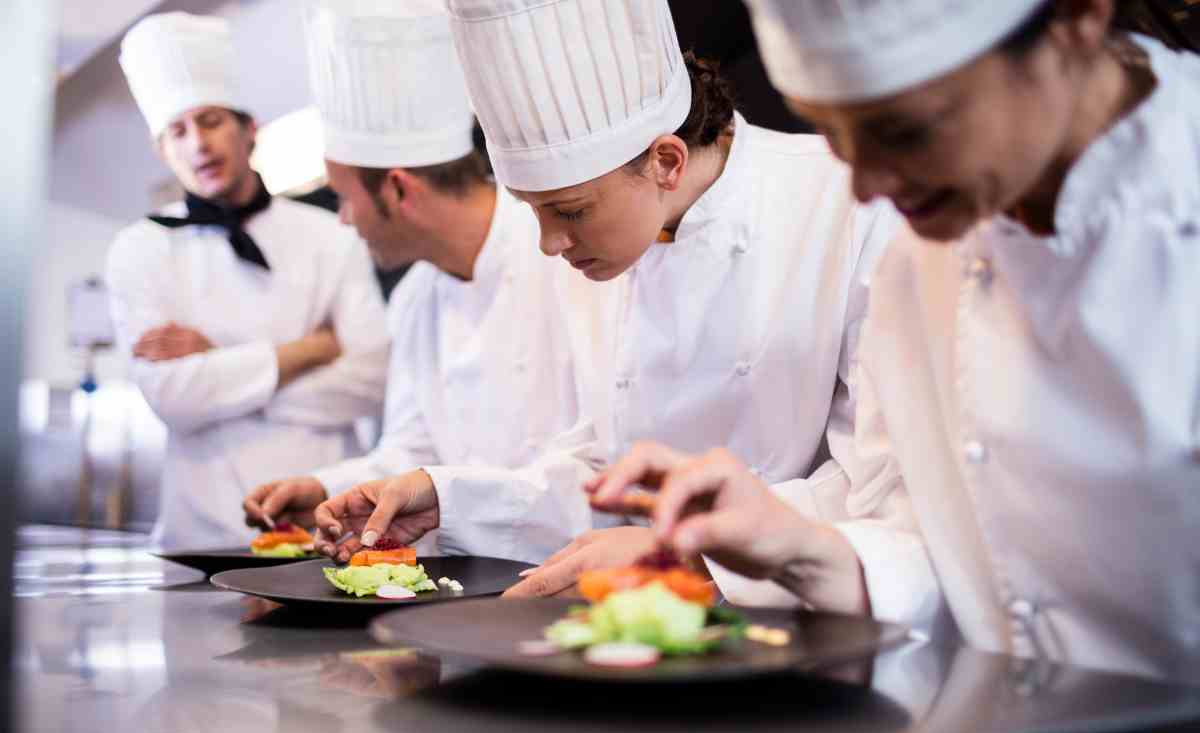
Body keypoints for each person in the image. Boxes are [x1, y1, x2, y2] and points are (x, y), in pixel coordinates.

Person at [586, 0, 1200, 683]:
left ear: (1080, 19)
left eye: (904, 130)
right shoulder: (923, 257)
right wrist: (801, 548)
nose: (868, 186)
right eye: (834, 135)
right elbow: (958, 563)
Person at [314, 0, 899, 603]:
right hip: (650, 624)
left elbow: (875, 490)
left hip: (808, 625)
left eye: (569, 211)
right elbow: (605, 473)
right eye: (533, 211)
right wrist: (448, 496)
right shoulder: (604, 251)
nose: (548, 244)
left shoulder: (847, 207)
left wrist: (691, 549)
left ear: (665, 161)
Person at [243, 0, 595, 563]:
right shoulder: (414, 298)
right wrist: (323, 487)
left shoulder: (573, 254)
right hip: (460, 589)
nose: (343, 219)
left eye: (345, 198)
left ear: (399, 191)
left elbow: (601, 461)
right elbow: (409, 453)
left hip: (580, 579)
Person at [106, 12, 389, 548]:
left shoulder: (333, 234)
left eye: (210, 121)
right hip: (199, 534)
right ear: (163, 151)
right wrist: (308, 350)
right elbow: (172, 398)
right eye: (177, 131)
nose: (197, 144)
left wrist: (220, 363)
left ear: (249, 129)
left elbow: (370, 380)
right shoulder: (139, 247)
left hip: (324, 523)